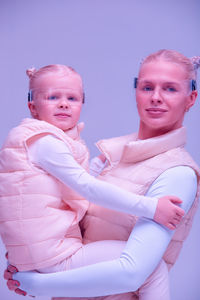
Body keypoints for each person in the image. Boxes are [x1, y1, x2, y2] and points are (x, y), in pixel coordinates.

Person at [4, 50, 200, 299]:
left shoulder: (177, 172)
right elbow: (62, 210)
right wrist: (29, 252)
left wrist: (34, 282)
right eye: (147, 87)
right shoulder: (110, 156)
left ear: (191, 98)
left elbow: (133, 272)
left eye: (170, 89)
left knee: (155, 270)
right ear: (136, 91)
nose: (156, 97)